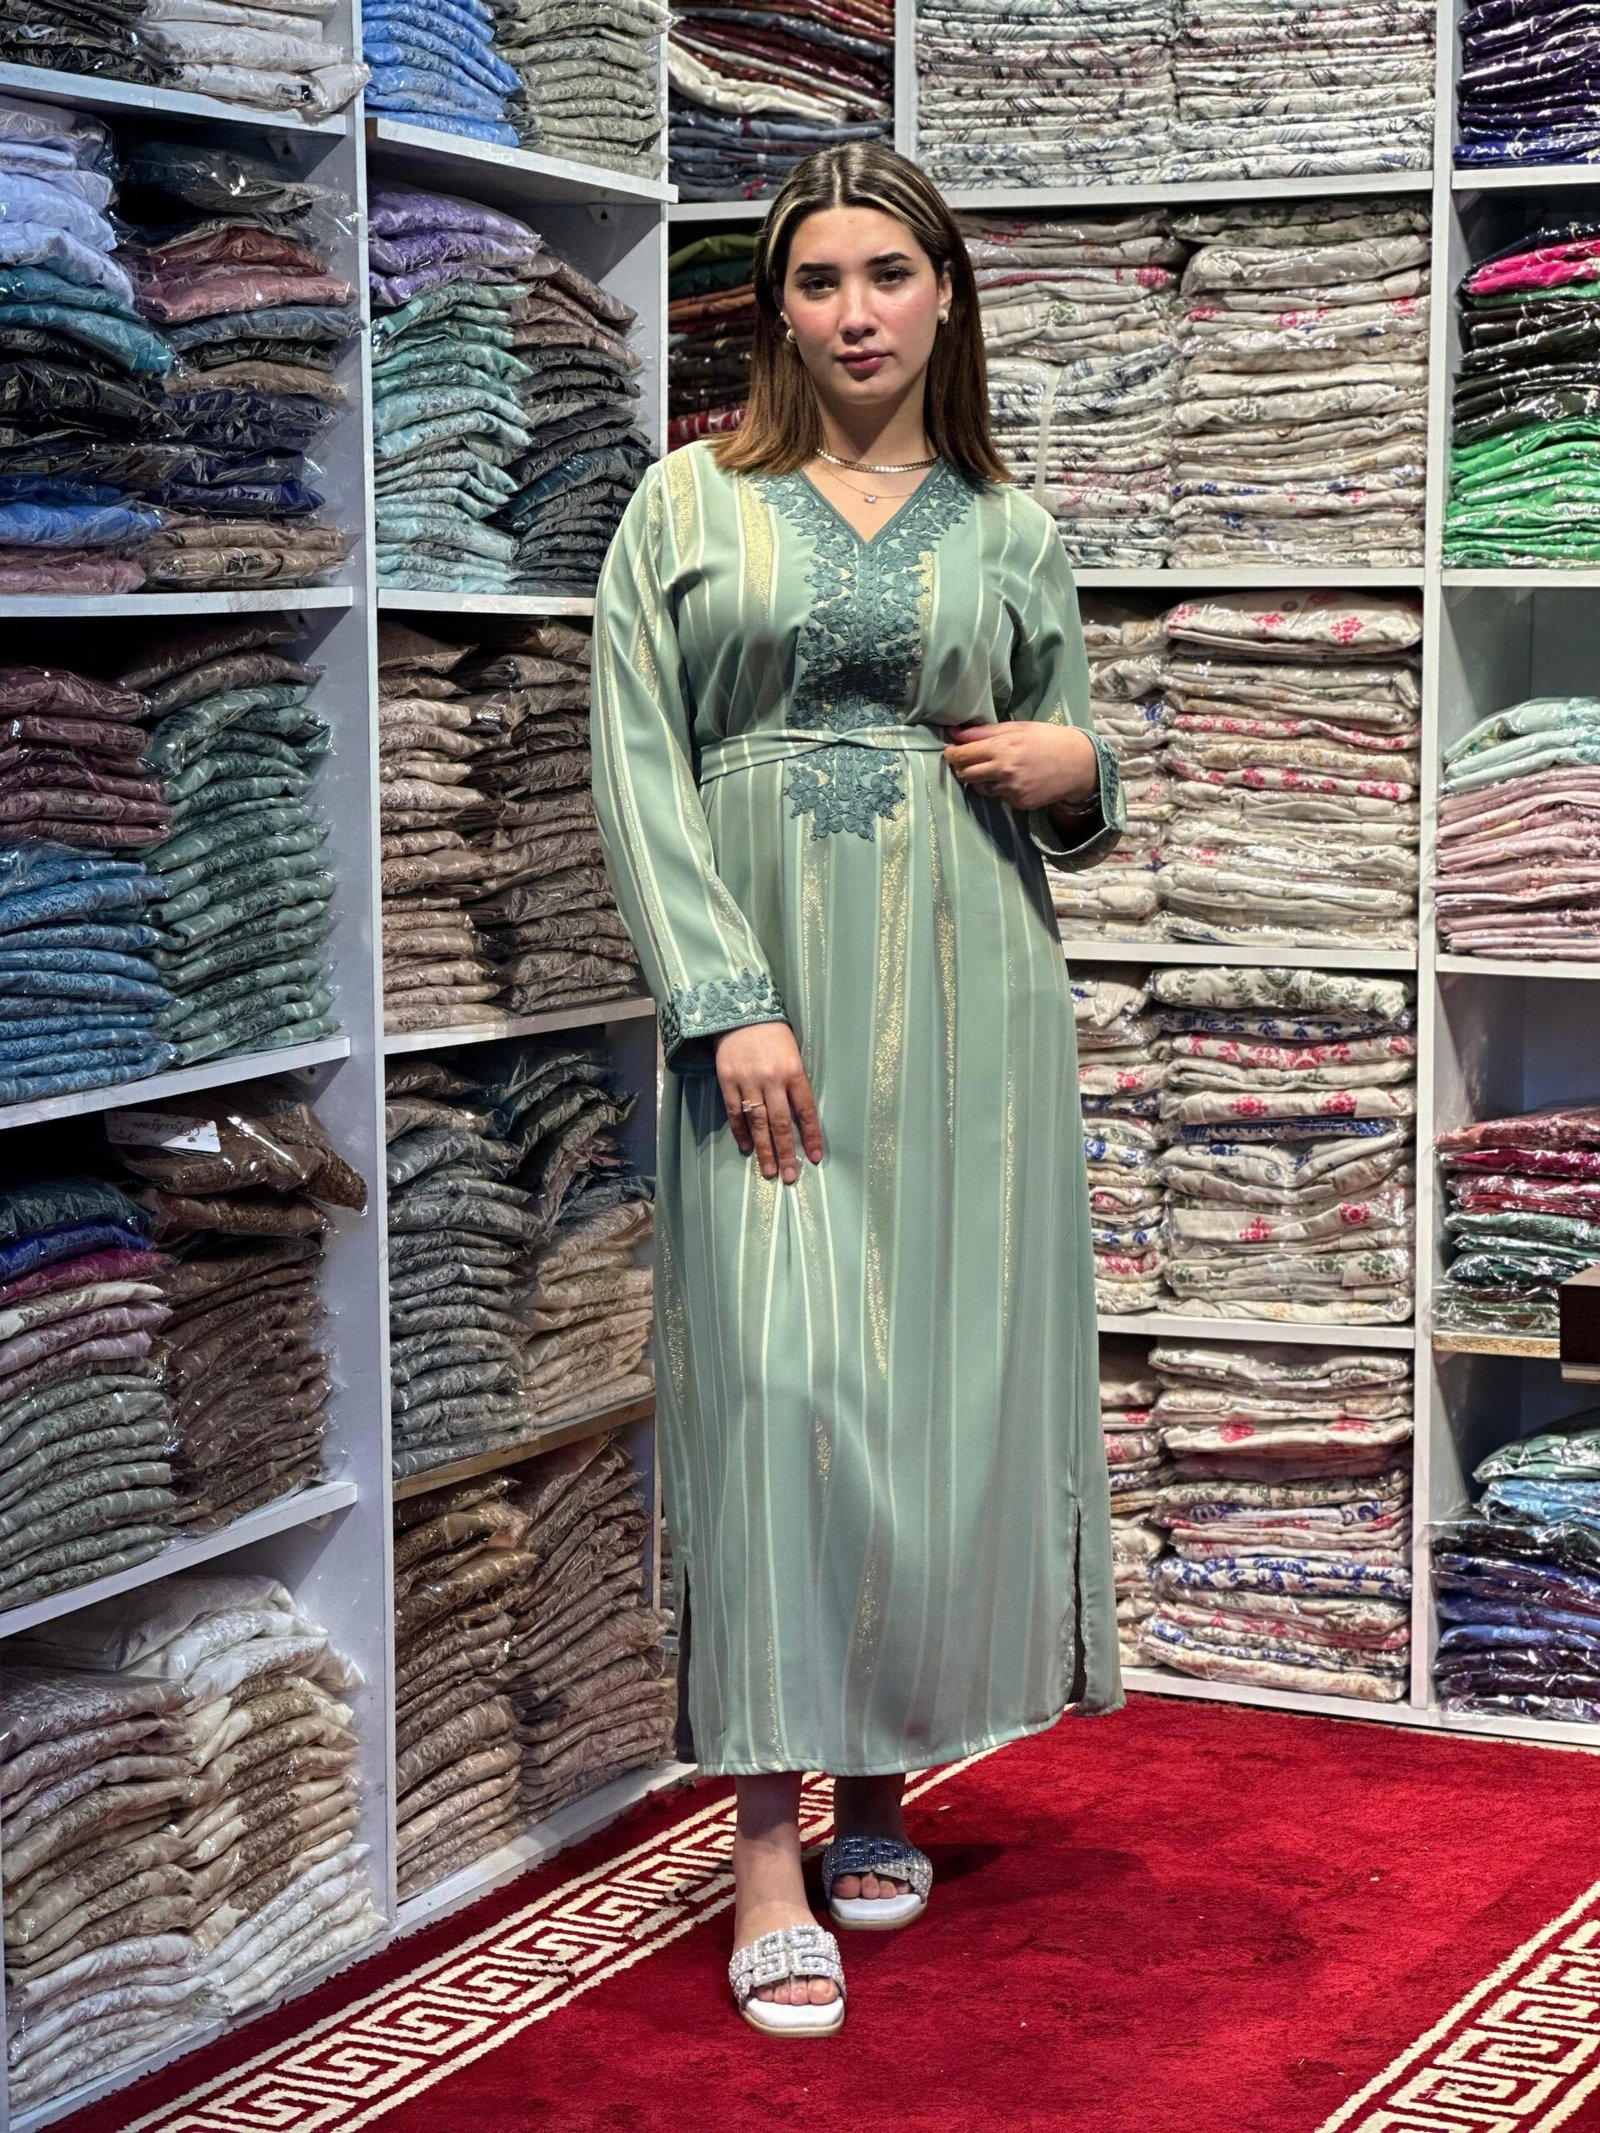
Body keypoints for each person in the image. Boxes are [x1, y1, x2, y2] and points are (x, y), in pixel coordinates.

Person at [588, 141, 1126, 2038]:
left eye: (887, 275)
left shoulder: (1009, 525)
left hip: (976, 1002)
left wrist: (1077, 764)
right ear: (776, 308)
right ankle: (763, 1850)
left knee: (924, 1394)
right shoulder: (684, 504)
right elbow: (636, 761)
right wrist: (722, 998)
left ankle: (883, 1787)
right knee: (772, 1390)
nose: (855, 312)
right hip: (767, 1005)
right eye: (818, 280)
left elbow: (1074, 751)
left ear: (945, 293)